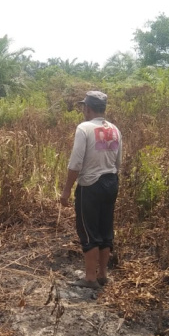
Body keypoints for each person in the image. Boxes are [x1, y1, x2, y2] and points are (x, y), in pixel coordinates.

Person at [60, 91, 122, 289]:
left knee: (88, 231)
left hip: (90, 186)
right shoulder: (115, 129)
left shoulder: (84, 128)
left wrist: (66, 190)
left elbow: (75, 163)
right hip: (111, 182)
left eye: (83, 107)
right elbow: (118, 162)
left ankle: (89, 278)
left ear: (87, 107)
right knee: (105, 229)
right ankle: (103, 274)